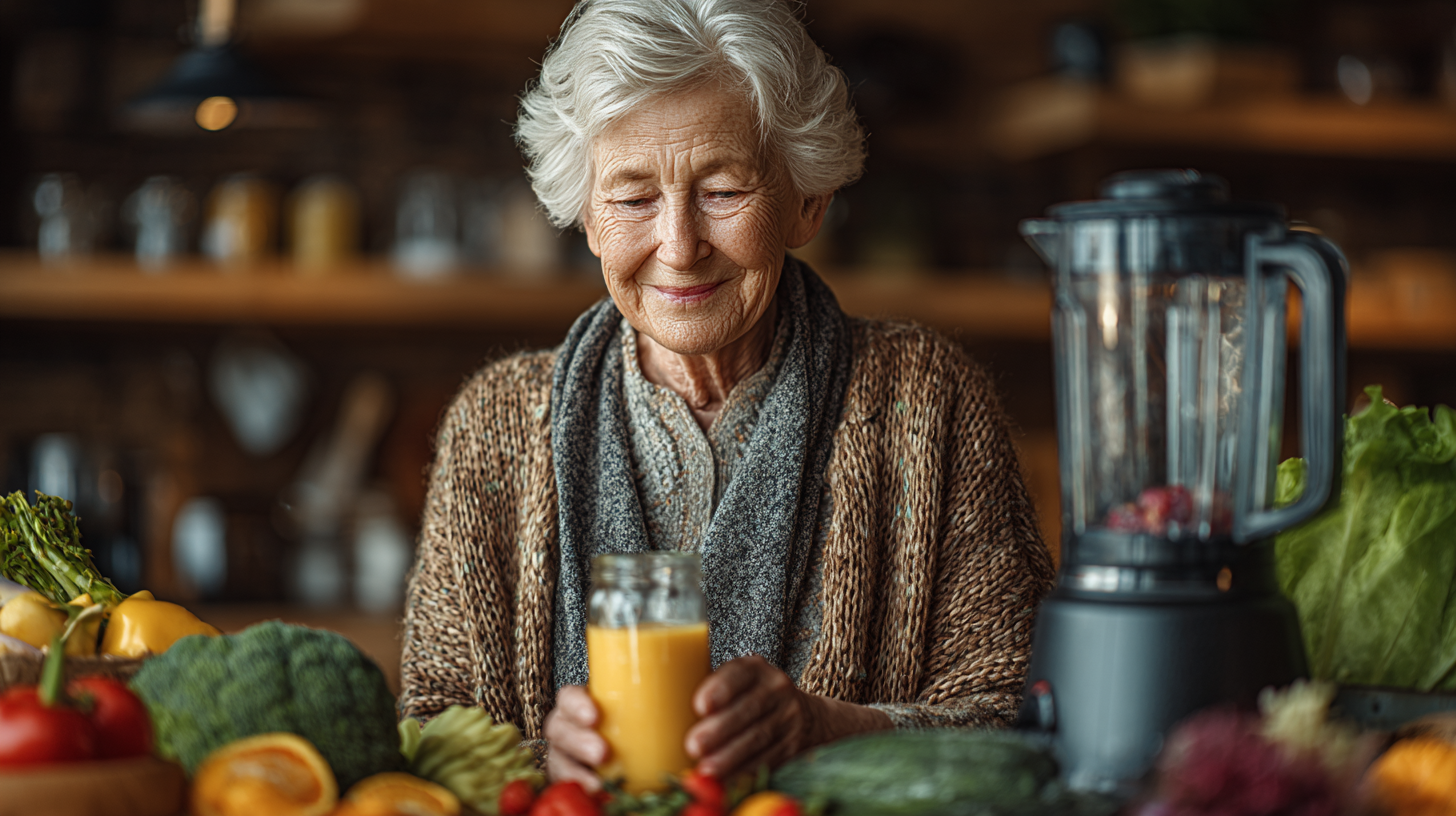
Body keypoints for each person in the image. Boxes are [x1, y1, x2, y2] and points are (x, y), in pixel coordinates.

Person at [399, 0, 1055, 789]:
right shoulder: (494, 422)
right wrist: (543, 763)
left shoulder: (928, 400)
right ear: (587, 219)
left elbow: (1021, 719)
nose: (679, 247)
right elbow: (427, 739)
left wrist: (830, 732)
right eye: (633, 199)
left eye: (723, 191)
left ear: (807, 201)